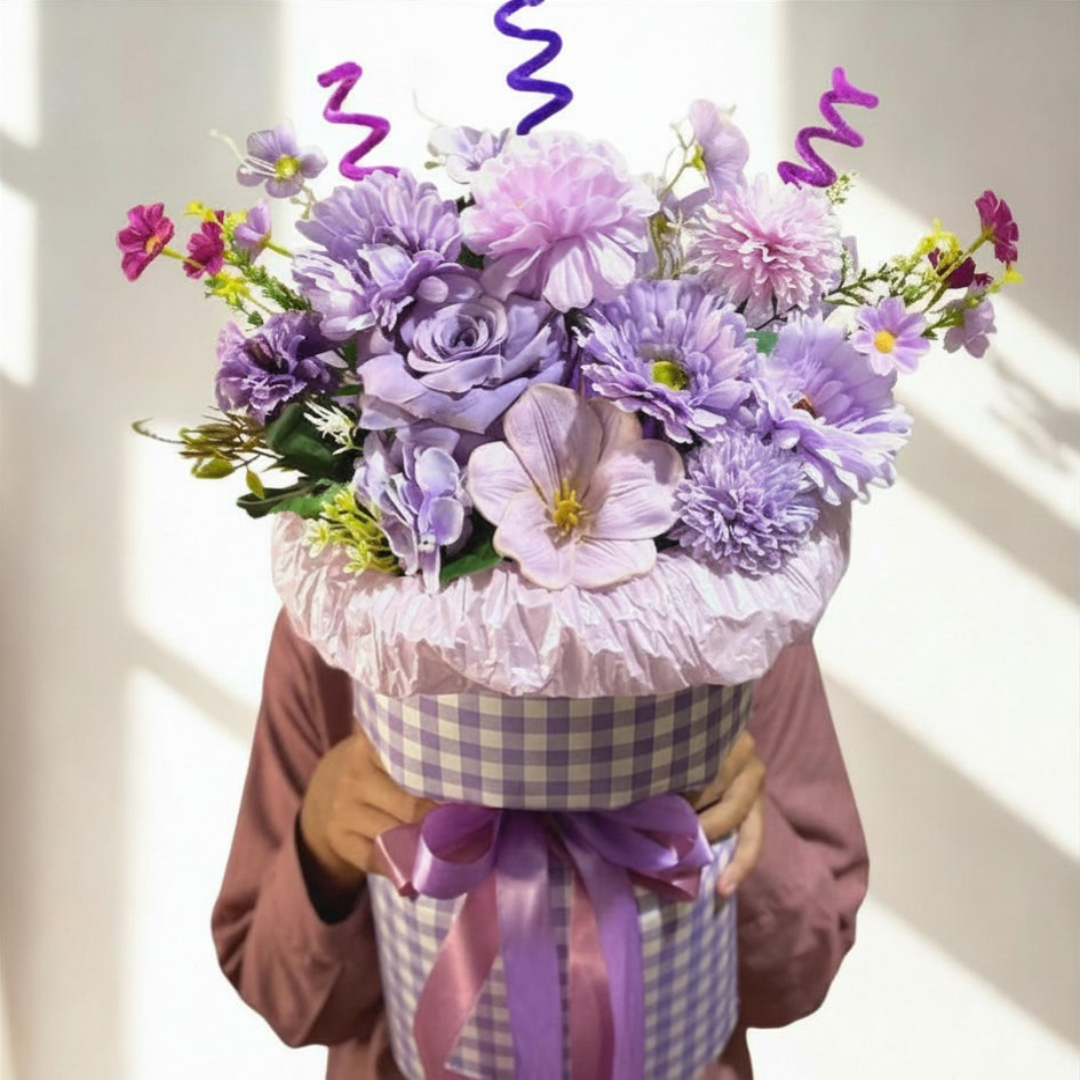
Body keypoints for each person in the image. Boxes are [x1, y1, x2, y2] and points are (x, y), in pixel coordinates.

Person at [212, 610, 868, 1080]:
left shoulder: (745, 622)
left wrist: (743, 820)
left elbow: (803, 974)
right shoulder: (337, 627)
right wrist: (321, 847)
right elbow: (283, 999)